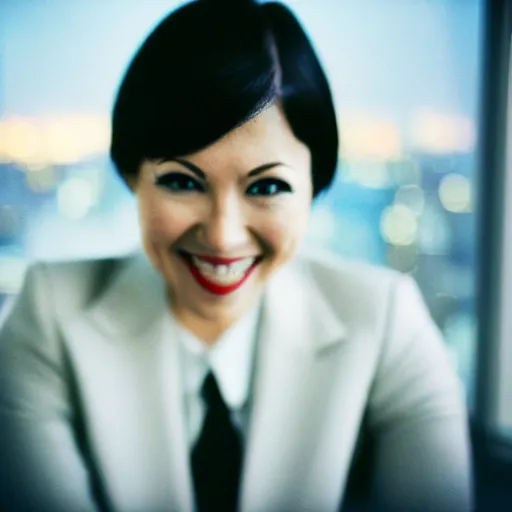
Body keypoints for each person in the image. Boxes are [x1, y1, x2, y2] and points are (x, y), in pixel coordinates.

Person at [0, 0, 473, 511]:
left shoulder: (384, 322)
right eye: (182, 181)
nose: (223, 237)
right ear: (133, 175)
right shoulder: (50, 314)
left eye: (267, 186)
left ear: (316, 185)